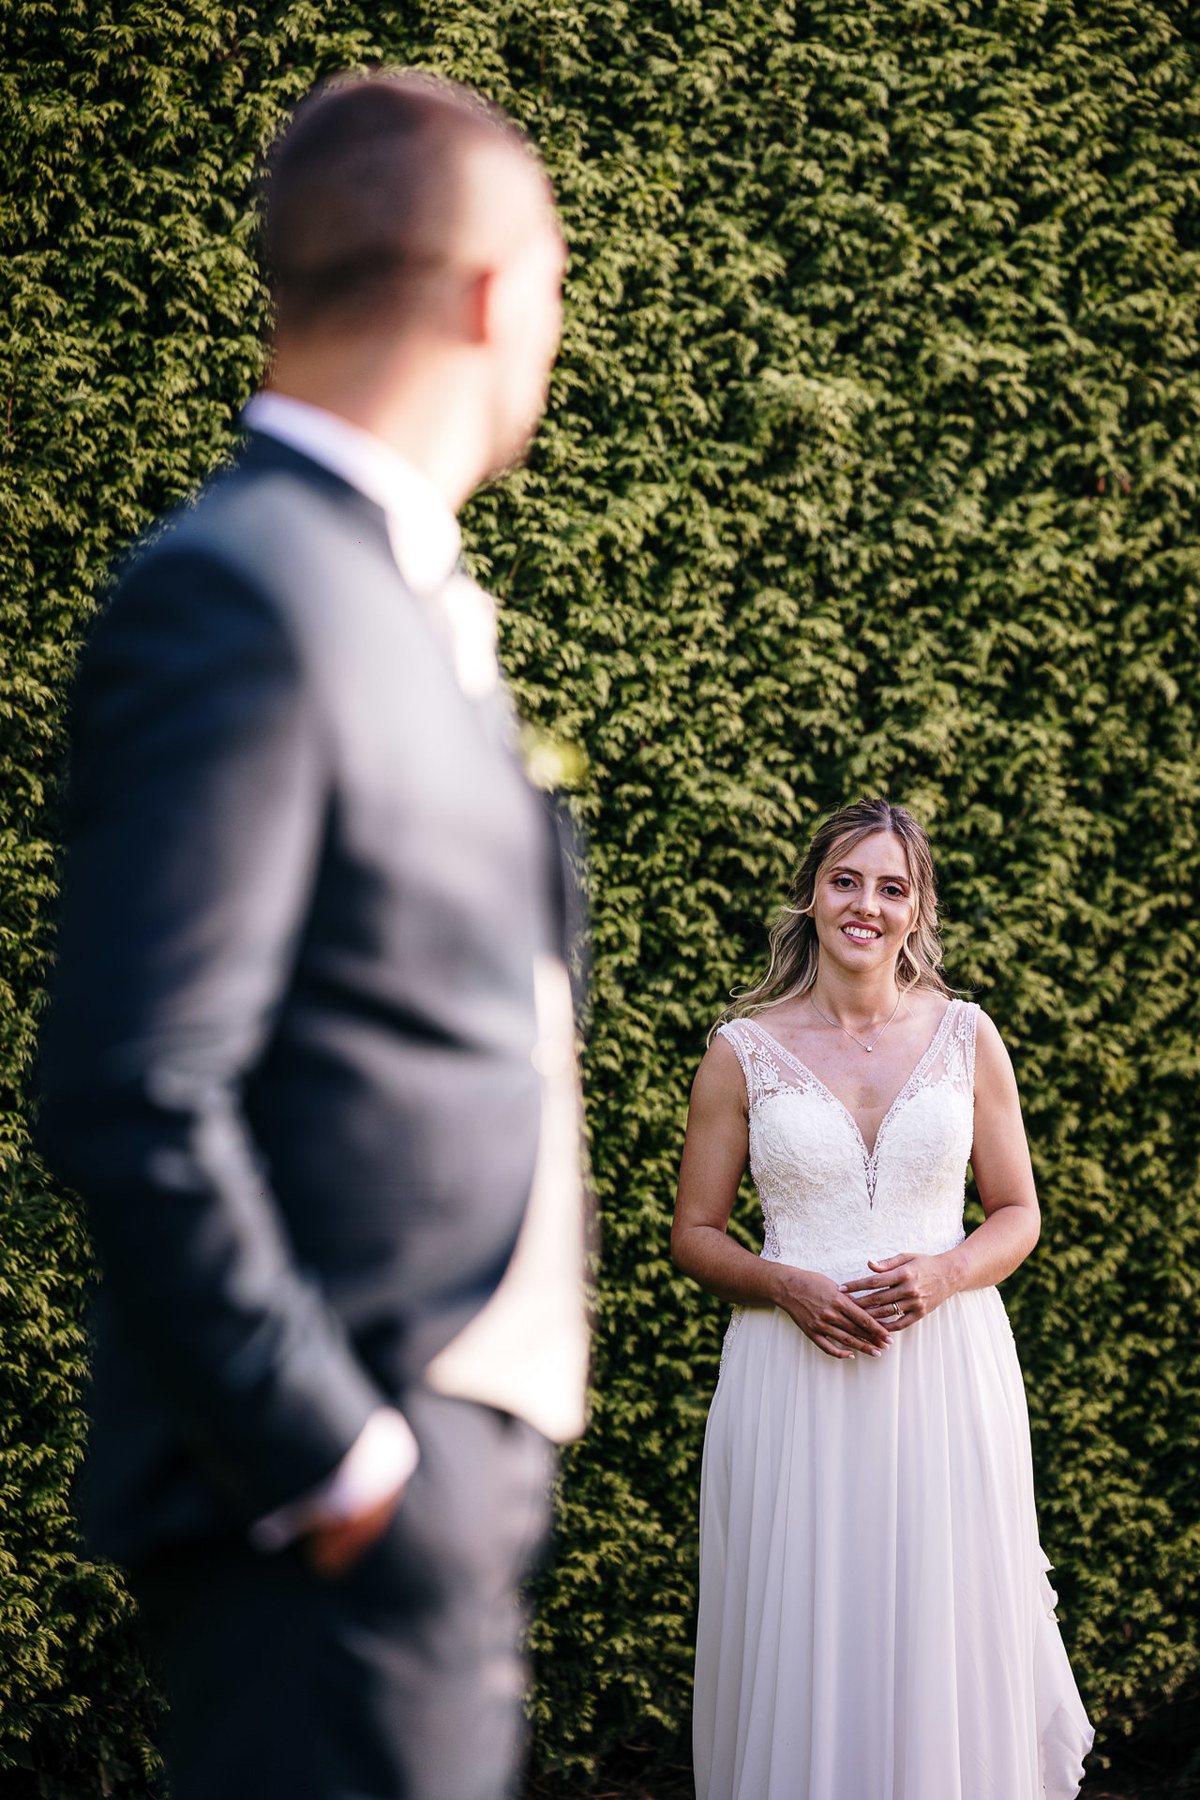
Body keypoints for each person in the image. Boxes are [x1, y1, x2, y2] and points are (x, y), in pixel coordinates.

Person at [39, 70, 588, 1800]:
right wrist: (339, 1457)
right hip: (332, 1518)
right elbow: (133, 1084)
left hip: (435, 1499)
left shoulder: (385, 592)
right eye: (556, 283)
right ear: (491, 295)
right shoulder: (243, 594)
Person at [672, 797, 1093, 1800]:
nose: (867, 904)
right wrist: (783, 1285)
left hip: (947, 1374)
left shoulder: (967, 1037)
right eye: (846, 881)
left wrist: (946, 1271)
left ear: (917, 910)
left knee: (944, 1618)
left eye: (891, 888)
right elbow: (694, 1234)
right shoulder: (741, 1051)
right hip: (793, 1381)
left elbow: (1018, 1213)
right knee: (810, 1621)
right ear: (811, 896)